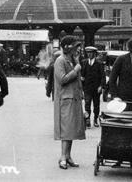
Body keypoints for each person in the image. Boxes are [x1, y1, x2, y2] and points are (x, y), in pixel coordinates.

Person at [53, 36, 86, 170]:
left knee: (72, 129)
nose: (77, 49)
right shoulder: (60, 61)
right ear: (68, 47)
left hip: (74, 98)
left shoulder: (72, 60)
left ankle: (68, 156)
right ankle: (62, 157)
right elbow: (62, 79)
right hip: (65, 99)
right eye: (75, 46)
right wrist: (76, 70)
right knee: (66, 129)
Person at [80, 46, 104, 128]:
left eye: (91, 53)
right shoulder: (84, 62)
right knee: (87, 104)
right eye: (88, 53)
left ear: (94, 54)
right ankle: (87, 120)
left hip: (96, 88)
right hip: (87, 88)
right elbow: (82, 75)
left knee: (96, 105)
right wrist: (81, 82)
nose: (89, 54)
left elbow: (102, 76)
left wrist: (101, 86)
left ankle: (95, 119)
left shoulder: (99, 63)